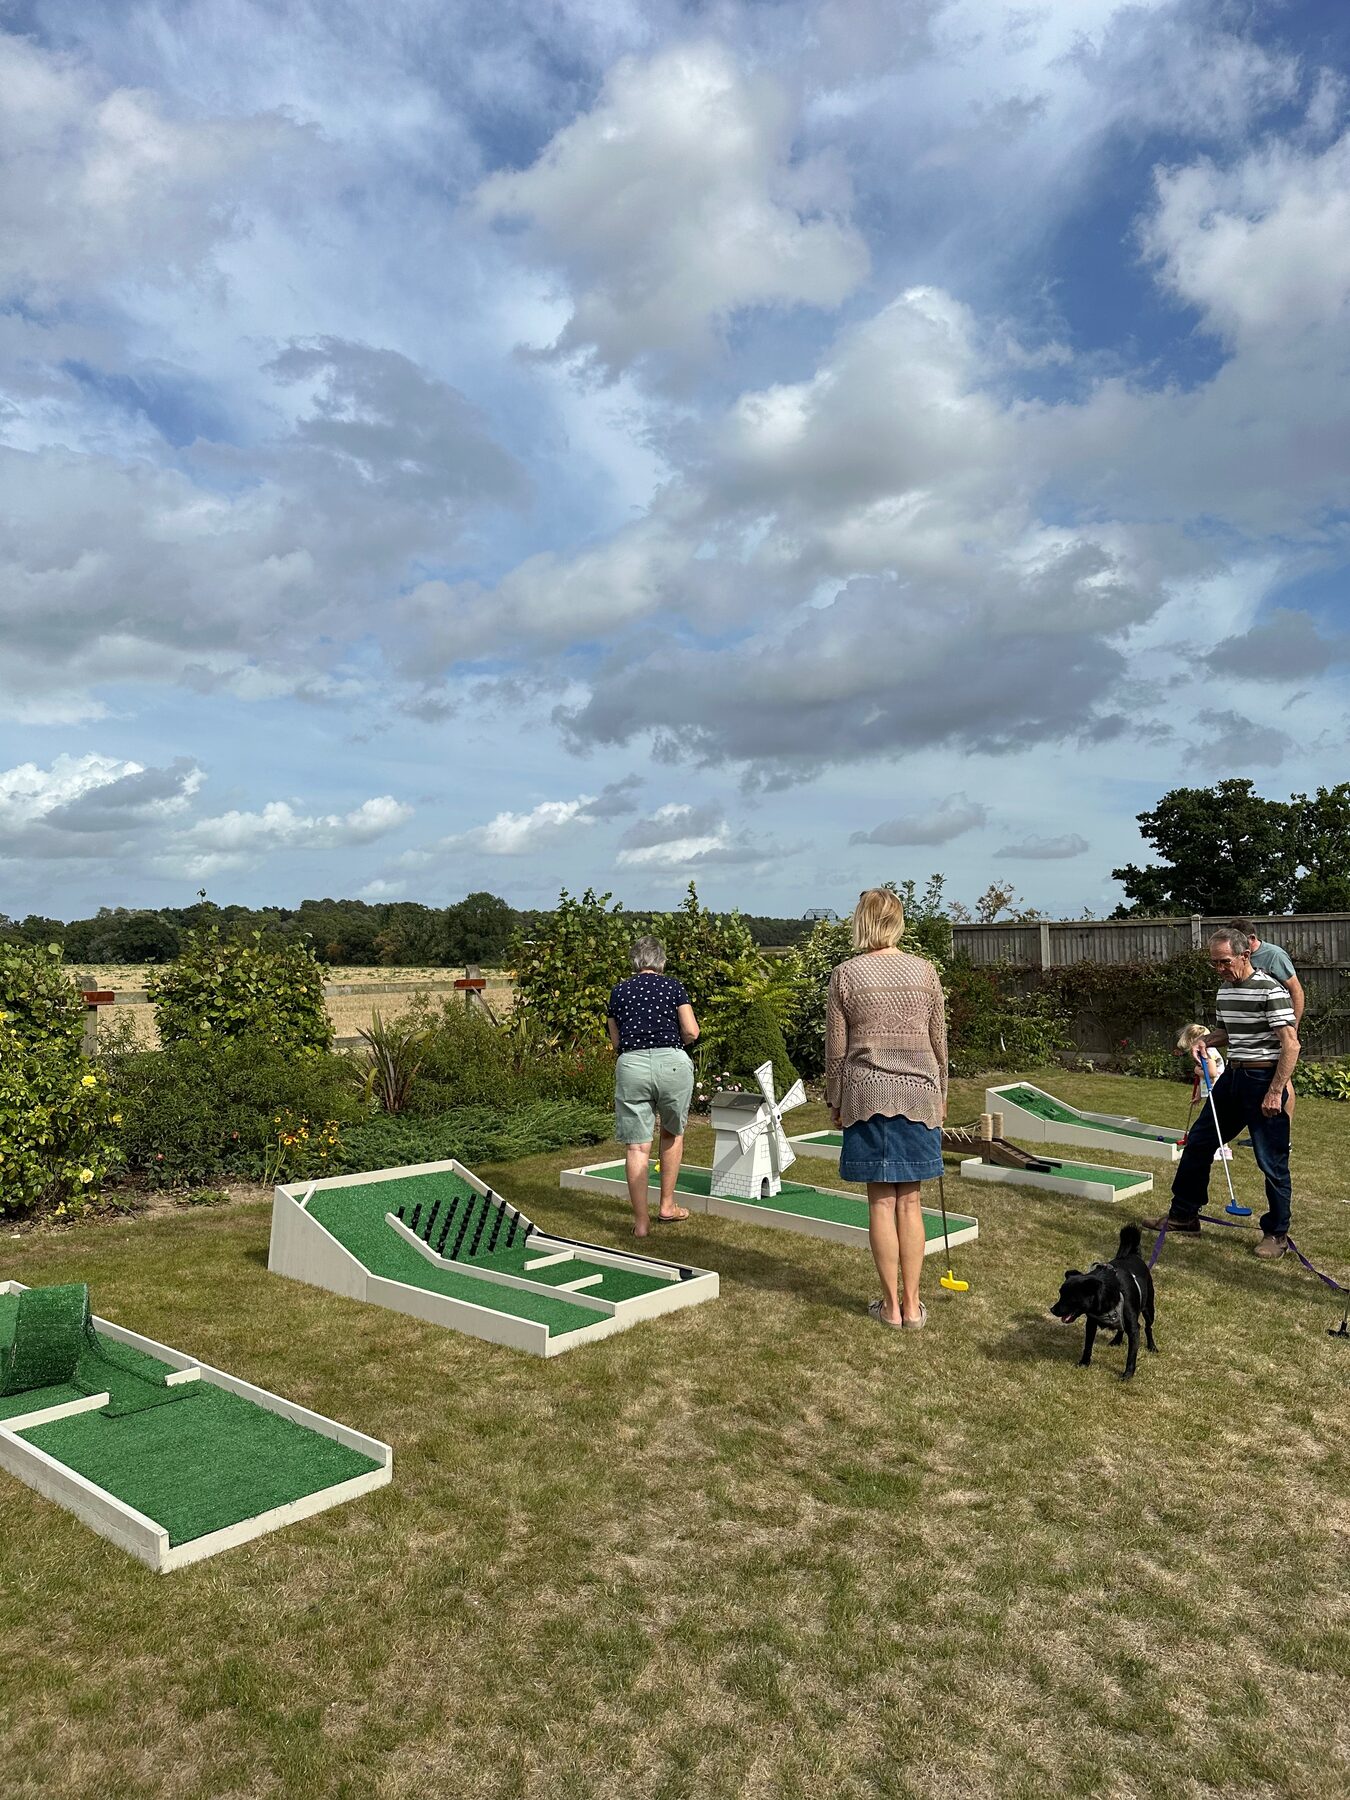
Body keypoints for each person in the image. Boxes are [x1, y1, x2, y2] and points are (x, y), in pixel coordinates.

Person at [826, 887, 948, 1330]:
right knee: (910, 1203)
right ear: (898, 921)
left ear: (862, 920)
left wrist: (835, 1099)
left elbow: (836, 1051)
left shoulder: (845, 975)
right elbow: (940, 1043)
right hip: (919, 1094)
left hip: (866, 1096)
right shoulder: (925, 972)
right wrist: (942, 1094)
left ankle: (890, 1306)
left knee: (881, 1204)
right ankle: (914, 1306)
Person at [1146, 926, 1299, 1257]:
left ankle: (1277, 1234)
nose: (1219, 969)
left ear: (1245, 955)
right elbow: (1228, 1032)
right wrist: (1206, 1041)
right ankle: (1184, 1215)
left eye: (1224, 962)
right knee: (1199, 1143)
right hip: (1232, 1079)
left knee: (1271, 1161)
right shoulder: (1225, 992)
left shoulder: (1270, 991)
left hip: (1263, 1081)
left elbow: (1291, 1044)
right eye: (1214, 963)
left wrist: (1275, 1092)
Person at [606, 936, 700, 1237]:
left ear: (635, 961)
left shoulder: (618, 991)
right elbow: (691, 1030)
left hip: (632, 1065)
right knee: (672, 1133)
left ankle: (641, 1222)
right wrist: (678, 1044)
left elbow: (616, 1041)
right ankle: (667, 1206)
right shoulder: (673, 986)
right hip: (671, 1062)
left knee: (636, 1145)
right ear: (660, 961)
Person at [1229, 919, 1305, 1027]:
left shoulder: (1275, 955)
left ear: (1252, 938)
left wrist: (1293, 1026)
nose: (1234, 946)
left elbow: (1296, 991)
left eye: (1238, 942)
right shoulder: (1236, 957)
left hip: (1274, 1022)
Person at [1175, 1022, 1231, 1161]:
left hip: (1218, 1090)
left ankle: (1217, 1151)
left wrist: (1196, 1070)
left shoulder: (1208, 1053)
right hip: (1214, 1090)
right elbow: (1204, 1078)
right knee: (1219, 1119)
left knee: (1214, 1122)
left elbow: (1210, 1073)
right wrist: (1198, 1095)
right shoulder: (1203, 1052)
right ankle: (1225, 1150)